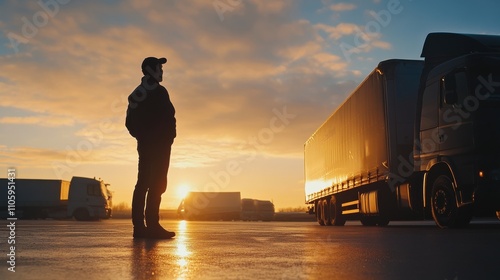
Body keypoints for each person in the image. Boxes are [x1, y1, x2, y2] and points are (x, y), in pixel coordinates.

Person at [126, 57, 176, 239]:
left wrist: (166, 138)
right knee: (150, 184)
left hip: (157, 146)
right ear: (150, 70)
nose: (162, 72)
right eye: (159, 68)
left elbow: (130, 123)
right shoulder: (149, 92)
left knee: (151, 184)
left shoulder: (148, 92)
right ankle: (146, 226)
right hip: (154, 147)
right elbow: (131, 122)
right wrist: (151, 139)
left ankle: (146, 226)